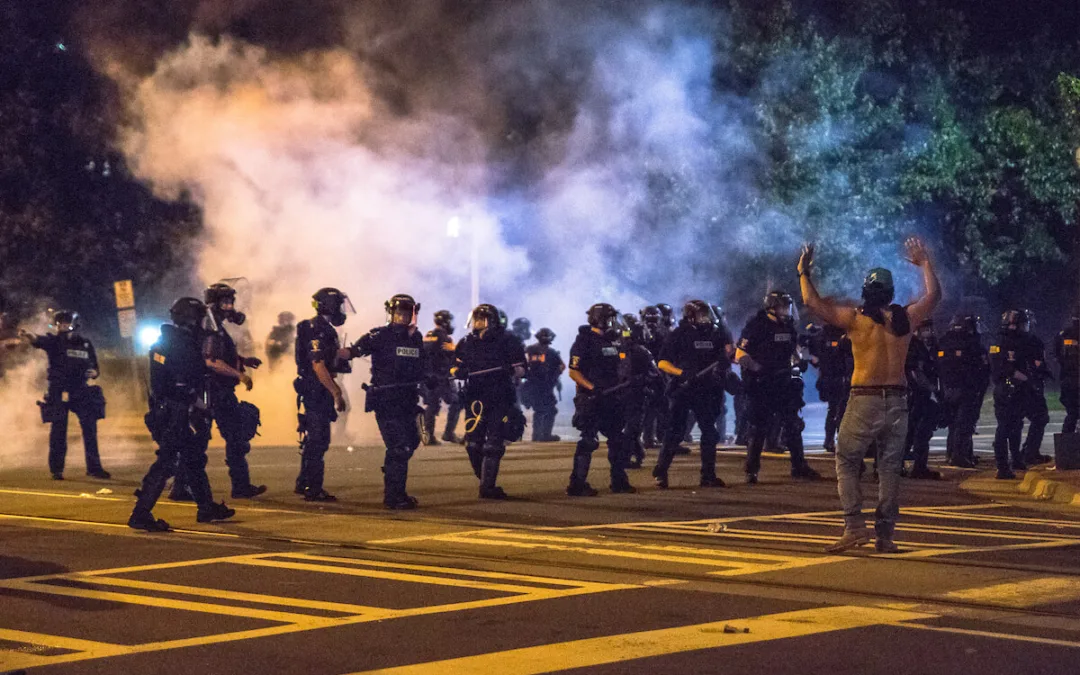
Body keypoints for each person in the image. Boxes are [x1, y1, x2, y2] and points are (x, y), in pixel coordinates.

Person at [800, 237, 941, 554]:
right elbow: (934, 295)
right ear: (891, 293)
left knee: (847, 461)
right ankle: (885, 536)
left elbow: (812, 302)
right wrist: (925, 263)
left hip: (864, 398)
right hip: (898, 400)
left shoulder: (855, 319)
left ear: (866, 290)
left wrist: (803, 271)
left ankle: (853, 527)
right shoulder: (905, 320)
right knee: (890, 469)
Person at [129, 298, 234, 531]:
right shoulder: (182, 345)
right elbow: (183, 383)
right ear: (191, 319)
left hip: (169, 410)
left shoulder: (166, 341)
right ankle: (140, 513)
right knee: (166, 462)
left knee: (193, 459)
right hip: (179, 412)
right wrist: (200, 407)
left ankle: (206, 507)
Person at [351, 294, 428, 509]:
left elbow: (422, 363)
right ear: (391, 314)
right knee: (398, 448)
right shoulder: (380, 336)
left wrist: (429, 377)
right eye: (399, 314)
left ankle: (393, 475)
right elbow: (357, 350)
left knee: (410, 443)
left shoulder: (416, 338)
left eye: (406, 314)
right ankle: (393, 496)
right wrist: (342, 354)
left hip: (407, 400)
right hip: (386, 400)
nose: (402, 318)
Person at [737, 292, 821, 485]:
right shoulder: (756, 325)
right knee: (759, 428)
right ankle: (752, 470)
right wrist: (758, 369)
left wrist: (797, 374)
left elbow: (793, 355)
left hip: (784, 383)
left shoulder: (788, 326)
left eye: (788, 306)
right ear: (772, 308)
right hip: (762, 384)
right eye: (783, 306)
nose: (787, 310)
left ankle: (798, 466)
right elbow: (741, 354)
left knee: (793, 424)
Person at [193, 283, 266, 499]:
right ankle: (240, 486)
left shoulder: (214, 326)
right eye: (225, 301)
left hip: (214, 391)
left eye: (231, 301)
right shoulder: (210, 326)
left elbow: (219, 355)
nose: (230, 306)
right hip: (214, 391)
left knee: (210, 440)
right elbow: (212, 361)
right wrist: (240, 375)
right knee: (229, 438)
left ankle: (183, 487)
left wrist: (243, 360)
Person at [652, 300, 731, 488]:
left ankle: (708, 476)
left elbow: (728, 354)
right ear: (690, 316)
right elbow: (662, 362)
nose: (706, 319)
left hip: (707, 389)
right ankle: (661, 472)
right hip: (684, 389)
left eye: (707, 314)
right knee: (675, 433)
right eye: (702, 315)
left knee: (710, 432)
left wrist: (724, 361)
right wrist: (681, 373)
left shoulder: (716, 333)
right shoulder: (679, 335)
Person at [23, 311, 109, 480]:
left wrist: (94, 372)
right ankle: (57, 470)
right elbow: (38, 340)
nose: (63, 325)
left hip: (81, 390)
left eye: (66, 322)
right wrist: (30, 336)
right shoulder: (54, 342)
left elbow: (95, 365)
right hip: (59, 391)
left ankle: (94, 467)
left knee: (90, 429)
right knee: (58, 431)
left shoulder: (85, 344)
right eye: (60, 322)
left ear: (74, 324)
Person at [452, 304, 526, 499]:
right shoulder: (467, 342)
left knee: (493, 444)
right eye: (475, 320)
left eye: (481, 320)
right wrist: (457, 372)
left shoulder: (509, 341)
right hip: (474, 398)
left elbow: (522, 369)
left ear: (491, 322)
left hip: (500, 397)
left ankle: (488, 486)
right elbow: (454, 366)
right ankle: (483, 477)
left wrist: (511, 370)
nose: (477, 324)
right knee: (473, 444)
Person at [294, 287, 359, 501]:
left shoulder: (321, 328)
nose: (341, 310)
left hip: (315, 388)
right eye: (338, 305)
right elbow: (318, 365)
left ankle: (303, 482)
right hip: (316, 389)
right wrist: (335, 392)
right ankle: (313, 488)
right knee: (319, 440)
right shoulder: (318, 330)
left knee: (314, 438)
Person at [567, 304, 634, 495]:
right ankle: (577, 484)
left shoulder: (614, 341)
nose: (614, 322)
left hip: (613, 396)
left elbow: (623, 363)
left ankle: (619, 481)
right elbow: (574, 371)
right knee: (588, 440)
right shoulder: (584, 341)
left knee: (617, 440)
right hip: (592, 397)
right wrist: (592, 388)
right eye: (610, 318)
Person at [989, 310, 1041, 479]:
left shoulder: (1009, 341)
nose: (1026, 328)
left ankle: (1016, 459)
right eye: (1023, 324)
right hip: (1008, 389)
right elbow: (1007, 369)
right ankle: (1002, 466)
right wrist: (1026, 378)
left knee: (1016, 425)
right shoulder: (1007, 343)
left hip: (1013, 390)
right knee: (1004, 428)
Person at [937, 314, 989, 468]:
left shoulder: (944, 342)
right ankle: (960, 456)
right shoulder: (974, 345)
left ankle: (954, 453)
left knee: (953, 424)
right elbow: (984, 370)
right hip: (968, 390)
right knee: (965, 424)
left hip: (948, 389)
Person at [805, 322, 854, 452]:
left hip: (833, 377)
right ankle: (835, 440)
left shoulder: (822, 335)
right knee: (838, 410)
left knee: (834, 410)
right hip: (837, 378)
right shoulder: (837, 335)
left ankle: (831, 440)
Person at [904, 319, 942, 480]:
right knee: (917, 431)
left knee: (918, 431)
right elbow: (915, 372)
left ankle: (918, 466)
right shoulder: (912, 346)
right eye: (926, 328)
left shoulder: (930, 346)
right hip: (915, 395)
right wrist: (931, 389)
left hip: (922, 395)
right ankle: (915, 467)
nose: (930, 332)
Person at [421, 310, 463, 444]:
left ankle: (428, 436)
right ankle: (448, 433)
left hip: (427, 377)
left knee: (432, 406)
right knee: (457, 402)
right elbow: (451, 357)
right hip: (442, 377)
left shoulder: (428, 335)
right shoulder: (445, 338)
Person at [1018, 310, 1052, 465]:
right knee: (1040, 417)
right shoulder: (1033, 341)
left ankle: (1024, 451)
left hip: (1017, 387)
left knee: (1015, 421)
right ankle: (1030, 452)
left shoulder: (1009, 341)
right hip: (1030, 386)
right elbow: (1038, 364)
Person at [523, 327, 565, 442]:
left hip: (533, 386)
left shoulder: (529, 350)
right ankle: (541, 435)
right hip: (541, 386)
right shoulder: (551, 352)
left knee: (544, 410)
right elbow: (562, 366)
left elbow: (523, 365)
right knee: (544, 410)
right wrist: (555, 378)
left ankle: (540, 435)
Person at [639, 306, 669, 449]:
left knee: (661, 406)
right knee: (647, 408)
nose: (652, 323)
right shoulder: (638, 332)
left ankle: (659, 437)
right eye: (649, 319)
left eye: (654, 319)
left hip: (659, 374)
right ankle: (647, 438)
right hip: (643, 375)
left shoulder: (663, 333)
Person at [1054, 313, 1080, 433]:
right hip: (1074, 379)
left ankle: (1066, 446)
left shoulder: (1063, 334)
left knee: (1072, 414)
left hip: (1067, 379)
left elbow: (1057, 355)